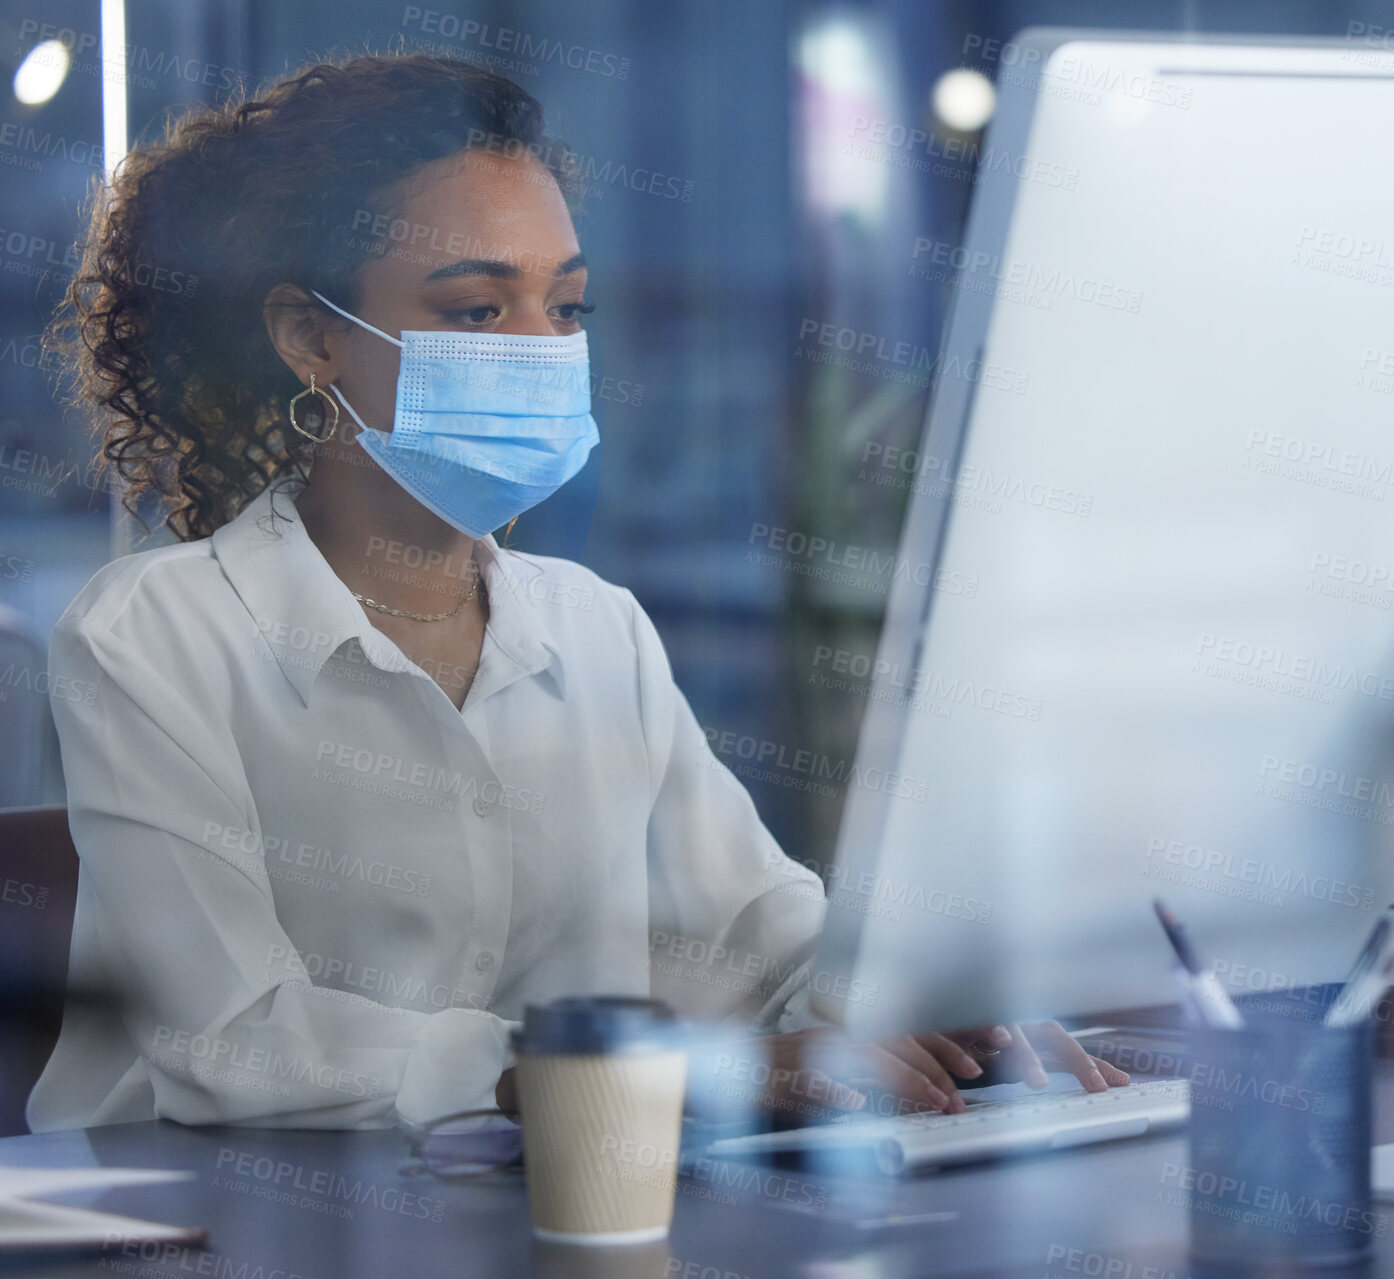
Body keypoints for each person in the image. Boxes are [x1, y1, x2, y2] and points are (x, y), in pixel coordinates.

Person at [26, 52, 1126, 1133]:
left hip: (535, 1213)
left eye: (567, 307)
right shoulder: (156, 632)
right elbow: (230, 1040)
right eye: (474, 311)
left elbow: (761, 944)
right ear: (312, 338)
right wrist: (638, 1070)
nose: (541, 351)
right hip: (196, 1229)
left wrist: (940, 1011)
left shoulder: (594, 628)